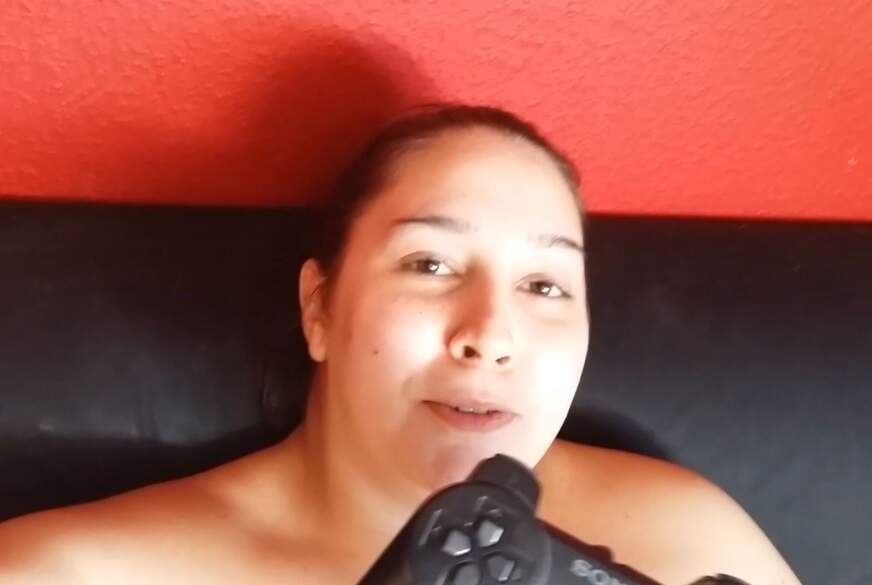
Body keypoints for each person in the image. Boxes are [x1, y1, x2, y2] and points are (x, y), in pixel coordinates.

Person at [0, 103, 800, 585]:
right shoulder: (71, 571)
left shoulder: (687, 533)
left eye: (545, 284)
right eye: (431, 264)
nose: (491, 335)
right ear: (320, 307)